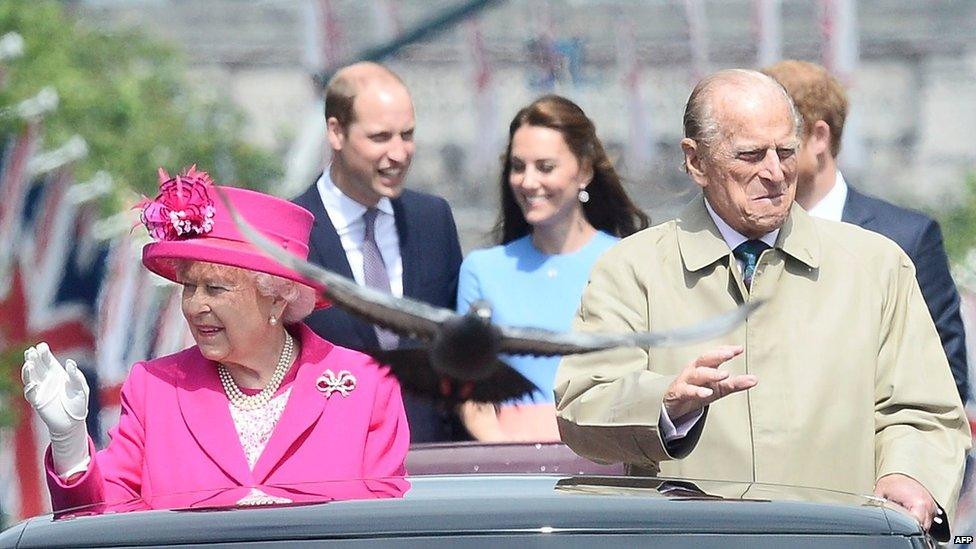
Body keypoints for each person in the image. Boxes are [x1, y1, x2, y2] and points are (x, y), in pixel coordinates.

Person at [554, 69, 970, 539]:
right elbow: (582, 405)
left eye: (786, 151)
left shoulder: (876, 266)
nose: (774, 172)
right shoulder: (632, 270)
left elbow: (925, 412)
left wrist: (909, 476)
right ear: (695, 162)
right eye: (751, 155)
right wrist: (665, 404)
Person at [22, 166, 409, 512]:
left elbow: (388, 527)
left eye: (216, 288)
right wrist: (69, 441)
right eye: (189, 287)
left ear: (276, 294)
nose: (195, 305)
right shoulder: (155, 388)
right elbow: (99, 515)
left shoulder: (365, 386)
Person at [762, 59, 969, 404]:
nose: (765, 161)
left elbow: (945, 379)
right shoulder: (742, 236)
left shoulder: (906, 238)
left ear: (818, 137)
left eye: (780, 143)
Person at [456, 95, 648, 441]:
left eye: (545, 167)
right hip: (512, 474)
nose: (529, 182)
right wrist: (510, 463)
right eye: (518, 166)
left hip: (608, 464)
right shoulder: (481, 270)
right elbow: (472, 395)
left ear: (584, 170)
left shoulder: (630, 261)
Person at [293, 62, 466, 443]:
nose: (399, 153)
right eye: (380, 137)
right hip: (331, 464)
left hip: (432, 463)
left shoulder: (432, 220)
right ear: (336, 132)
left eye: (407, 135)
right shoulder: (291, 233)